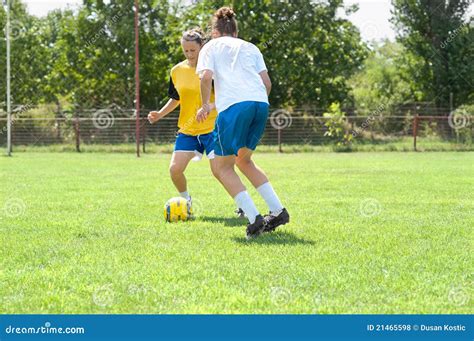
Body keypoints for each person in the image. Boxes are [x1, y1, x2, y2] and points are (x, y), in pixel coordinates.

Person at [196, 7, 290, 239]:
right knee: (243, 160)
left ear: (214, 31)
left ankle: (254, 218)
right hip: (260, 104)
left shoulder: (210, 47)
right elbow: (266, 83)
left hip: (235, 109)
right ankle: (278, 211)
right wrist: (253, 104)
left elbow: (206, 77)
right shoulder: (251, 47)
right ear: (235, 31)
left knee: (221, 167)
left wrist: (205, 104)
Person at [148, 28, 218, 209]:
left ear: (202, 47)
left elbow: (226, 96)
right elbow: (176, 98)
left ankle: (242, 205)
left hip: (213, 128)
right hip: (188, 130)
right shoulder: (176, 71)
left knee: (221, 171)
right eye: (185, 51)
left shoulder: (213, 70)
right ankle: (186, 201)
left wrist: (210, 107)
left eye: (193, 50)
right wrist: (160, 114)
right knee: (175, 170)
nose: (189, 54)